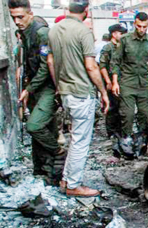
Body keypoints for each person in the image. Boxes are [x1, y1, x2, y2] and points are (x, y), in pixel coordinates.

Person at [47, 0, 110, 197]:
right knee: (80, 141)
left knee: (74, 139)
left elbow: (50, 60)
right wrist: (103, 92)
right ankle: (73, 184)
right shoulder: (83, 31)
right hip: (82, 92)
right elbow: (91, 66)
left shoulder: (54, 30)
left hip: (66, 91)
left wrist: (58, 84)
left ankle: (66, 179)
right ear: (86, 10)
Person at [8, 0, 63, 185]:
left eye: (20, 17)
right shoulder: (24, 33)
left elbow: (45, 68)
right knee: (44, 131)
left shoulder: (41, 32)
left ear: (30, 14)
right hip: (34, 88)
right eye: (13, 17)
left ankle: (59, 153)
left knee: (35, 126)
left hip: (47, 88)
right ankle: (44, 170)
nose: (16, 21)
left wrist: (28, 89)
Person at [111, 12, 148, 153]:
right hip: (127, 81)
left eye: (144, 27)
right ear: (134, 24)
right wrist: (114, 82)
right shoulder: (125, 40)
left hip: (144, 82)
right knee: (128, 114)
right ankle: (125, 139)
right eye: (139, 26)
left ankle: (142, 140)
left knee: (145, 114)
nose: (142, 29)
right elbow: (116, 62)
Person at [99, 24, 127, 139]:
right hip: (111, 80)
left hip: (122, 81)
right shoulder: (108, 48)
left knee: (122, 107)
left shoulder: (122, 46)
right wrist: (108, 82)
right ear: (114, 34)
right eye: (121, 33)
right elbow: (103, 66)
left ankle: (120, 131)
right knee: (112, 107)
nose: (123, 36)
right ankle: (111, 132)